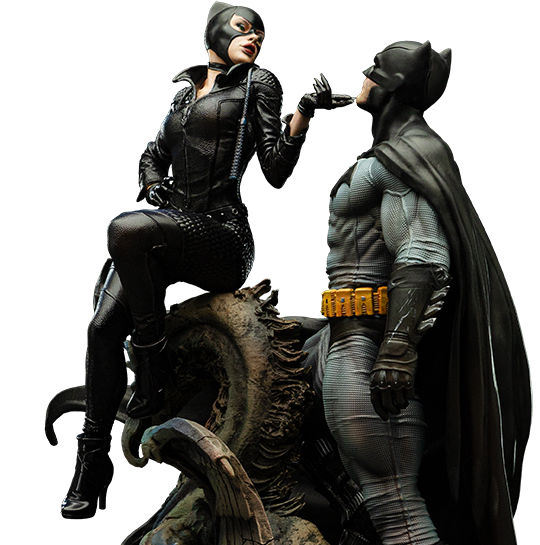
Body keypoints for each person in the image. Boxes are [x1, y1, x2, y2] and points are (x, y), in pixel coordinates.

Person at [59, 3, 350, 518]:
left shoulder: (259, 83)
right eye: (244, 28)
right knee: (102, 328)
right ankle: (92, 459)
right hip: (167, 230)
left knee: (123, 230)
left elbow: (276, 169)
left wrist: (304, 113)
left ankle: (150, 368)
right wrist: (154, 181)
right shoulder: (183, 94)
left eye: (261, 33)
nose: (255, 37)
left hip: (222, 235)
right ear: (213, 32)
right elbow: (153, 152)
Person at [317, 41, 532, 545]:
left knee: (394, 499)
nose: (362, 76)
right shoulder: (390, 155)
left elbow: (423, 256)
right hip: (340, 333)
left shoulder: (404, 161)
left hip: (368, 344)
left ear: (388, 87)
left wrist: (397, 351)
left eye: (372, 70)